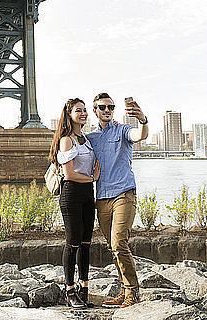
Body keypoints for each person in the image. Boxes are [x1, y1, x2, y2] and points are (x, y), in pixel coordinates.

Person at [86, 92, 149, 308]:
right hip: (102, 197)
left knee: (119, 242)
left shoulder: (122, 130)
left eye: (111, 107)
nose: (107, 111)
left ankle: (132, 292)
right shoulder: (91, 138)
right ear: (95, 111)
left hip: (124, 193)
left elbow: (139, 135)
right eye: (102, 107)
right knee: (112, 246)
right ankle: (124, 290)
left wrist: (143, 119)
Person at [49, 98, 101, 309]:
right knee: (73, 242)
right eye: (78, 111)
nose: (83, 113)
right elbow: (69, 174)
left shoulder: (86, 139)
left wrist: (92, 179)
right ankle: (69, 290)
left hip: (88, 195)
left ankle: (84, 288)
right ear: (69, 114)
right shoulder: (66, 140)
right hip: (71, 195)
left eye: (84, 110)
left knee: (86, 243)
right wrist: (93, 178)